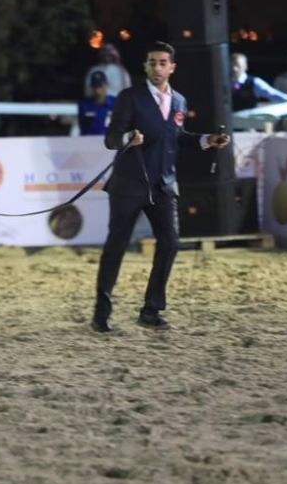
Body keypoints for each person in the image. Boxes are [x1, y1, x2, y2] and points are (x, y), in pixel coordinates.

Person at [92, 41, 229, 333]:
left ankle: (151, 310)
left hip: (164, 186)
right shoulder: (131, 97)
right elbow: (111, 138)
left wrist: (207, 140)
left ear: (172, 67)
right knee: (116, 248)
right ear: (145, 66)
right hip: (128, 184)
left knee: (170, 243)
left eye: (163, 62)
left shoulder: (179, 101)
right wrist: (128, 136)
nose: (157, 67)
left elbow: (178, 137)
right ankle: (101, 313)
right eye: (152, 62)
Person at [78, 70, 116, 136]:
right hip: (90, 142)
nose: (97, 90)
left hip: (110, 142)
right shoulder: (84, 105)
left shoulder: (116, 103)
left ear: (107, 85)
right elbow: (82, 128)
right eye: (95, 86)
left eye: (100, 86)